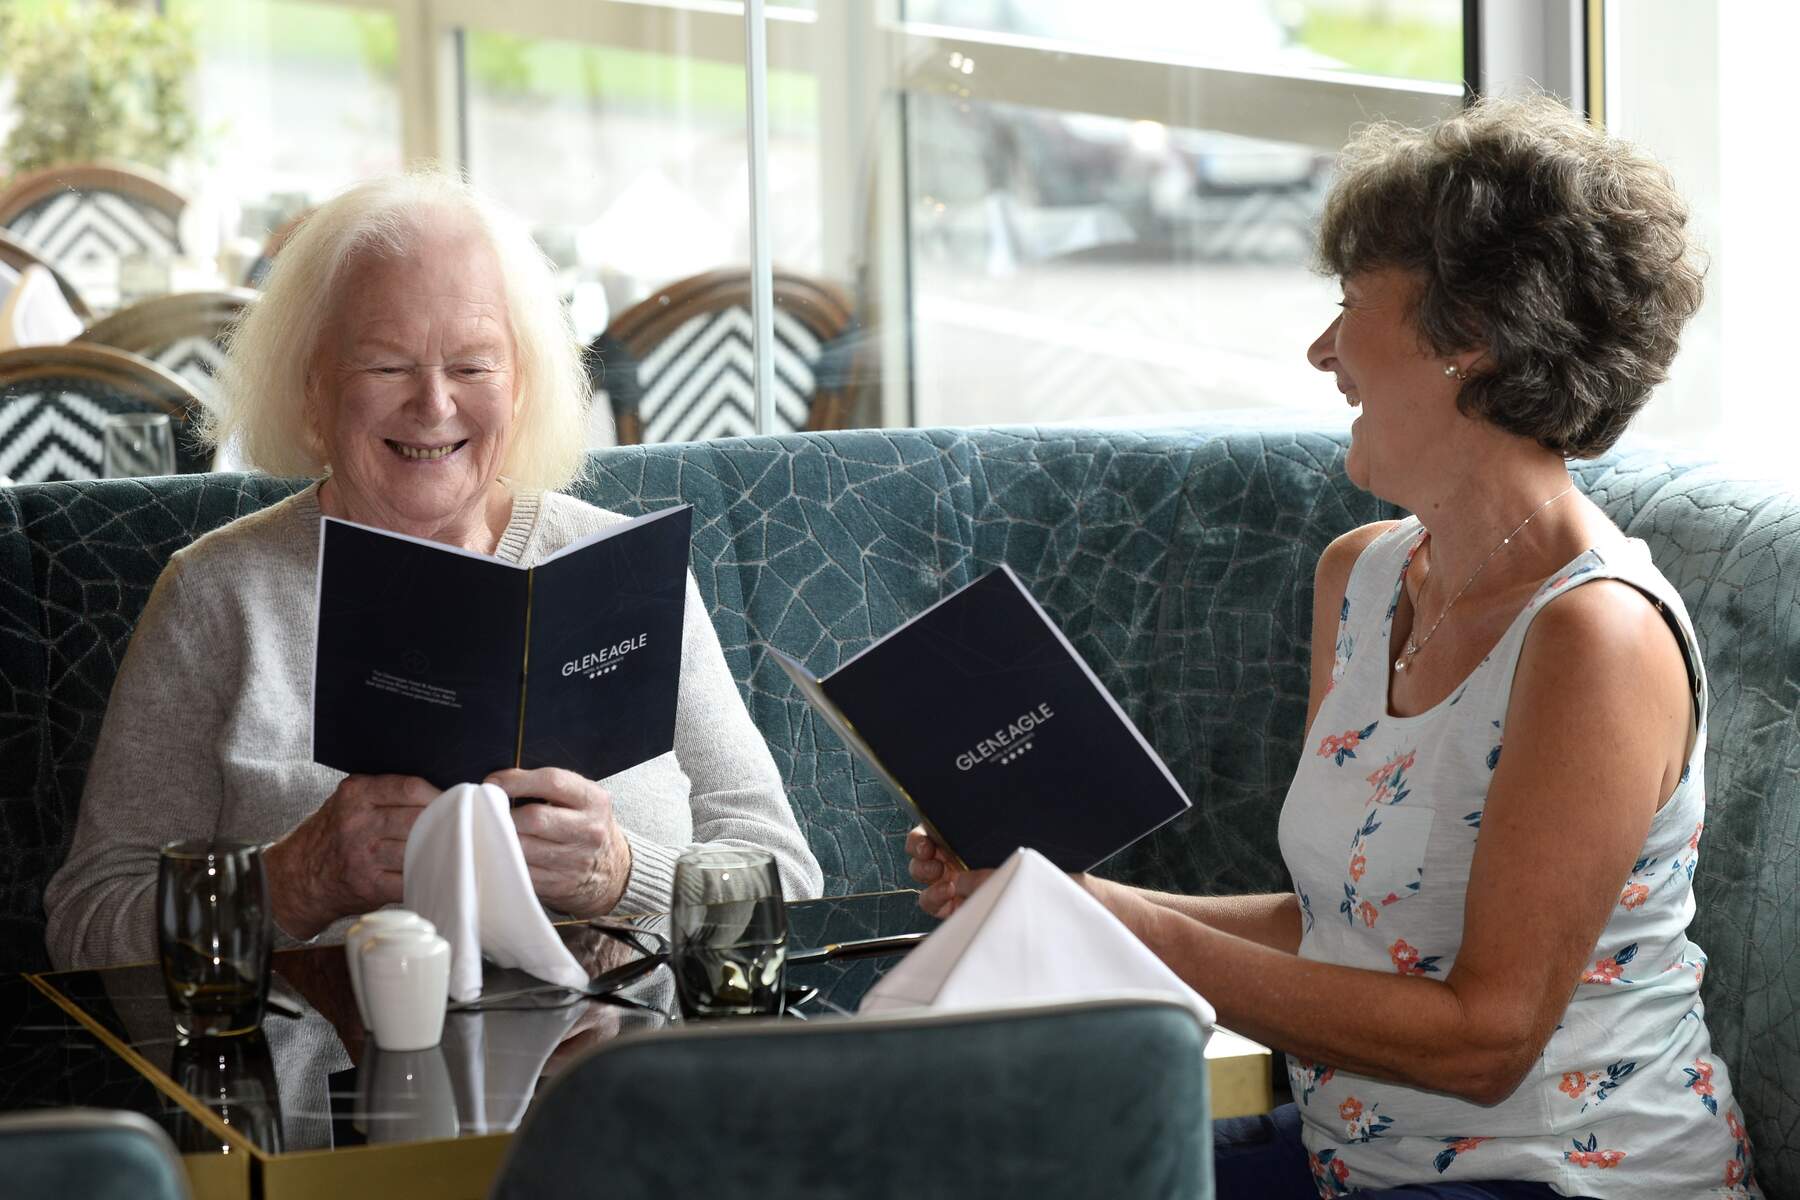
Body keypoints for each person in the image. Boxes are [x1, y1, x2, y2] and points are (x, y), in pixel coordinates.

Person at [908, 96, 1758, 1198]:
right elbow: (1340, 926)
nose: (1323, 348)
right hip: (1348, 1164)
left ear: (1471, 339)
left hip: (1563, 1181)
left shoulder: (1595, 638)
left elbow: (1486, 1041)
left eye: (1353, 301)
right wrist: (1051, 895)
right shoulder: (1361, 577)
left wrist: (1126, 926)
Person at [45, 172, 822, 969]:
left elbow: (792, 885)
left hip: (606, 1077)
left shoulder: (624, 575)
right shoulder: (218, 594)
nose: (434, 405)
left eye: (474, 366)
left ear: (521, 386)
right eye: (386, 366)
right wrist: (293, 882)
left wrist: (621, 873)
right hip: (330, 1084)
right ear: (312, 389)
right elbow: (88, 924)